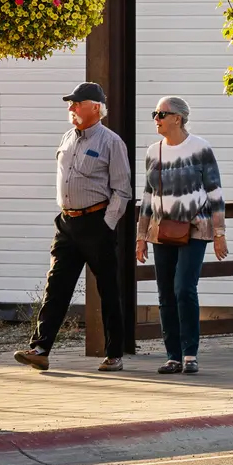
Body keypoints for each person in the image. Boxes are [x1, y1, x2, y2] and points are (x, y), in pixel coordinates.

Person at [15, 80, 136, 373]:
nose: (71, 108)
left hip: (97, 222)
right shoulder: (68, 137)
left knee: (108, 289)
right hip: (67, 223)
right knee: (56, 286)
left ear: (95, 108)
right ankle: (40, 349)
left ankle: (113, 354)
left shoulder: (111, 142)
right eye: (70, 103)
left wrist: (107, 225)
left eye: (76, 103)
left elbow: (123, 190)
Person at [134, 95, 227, 375]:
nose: (156, 119)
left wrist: (220, 233)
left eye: (161, 114)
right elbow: (148, 196)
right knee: (165, 294)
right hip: (162, 230)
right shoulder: (153, 151)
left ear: (178, 118)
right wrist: (141, 236)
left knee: (184, 289)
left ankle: (190, 354)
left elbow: (215, 193)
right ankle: (172, 356)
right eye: (155, 114)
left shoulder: (200, 148)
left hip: (196, 227)